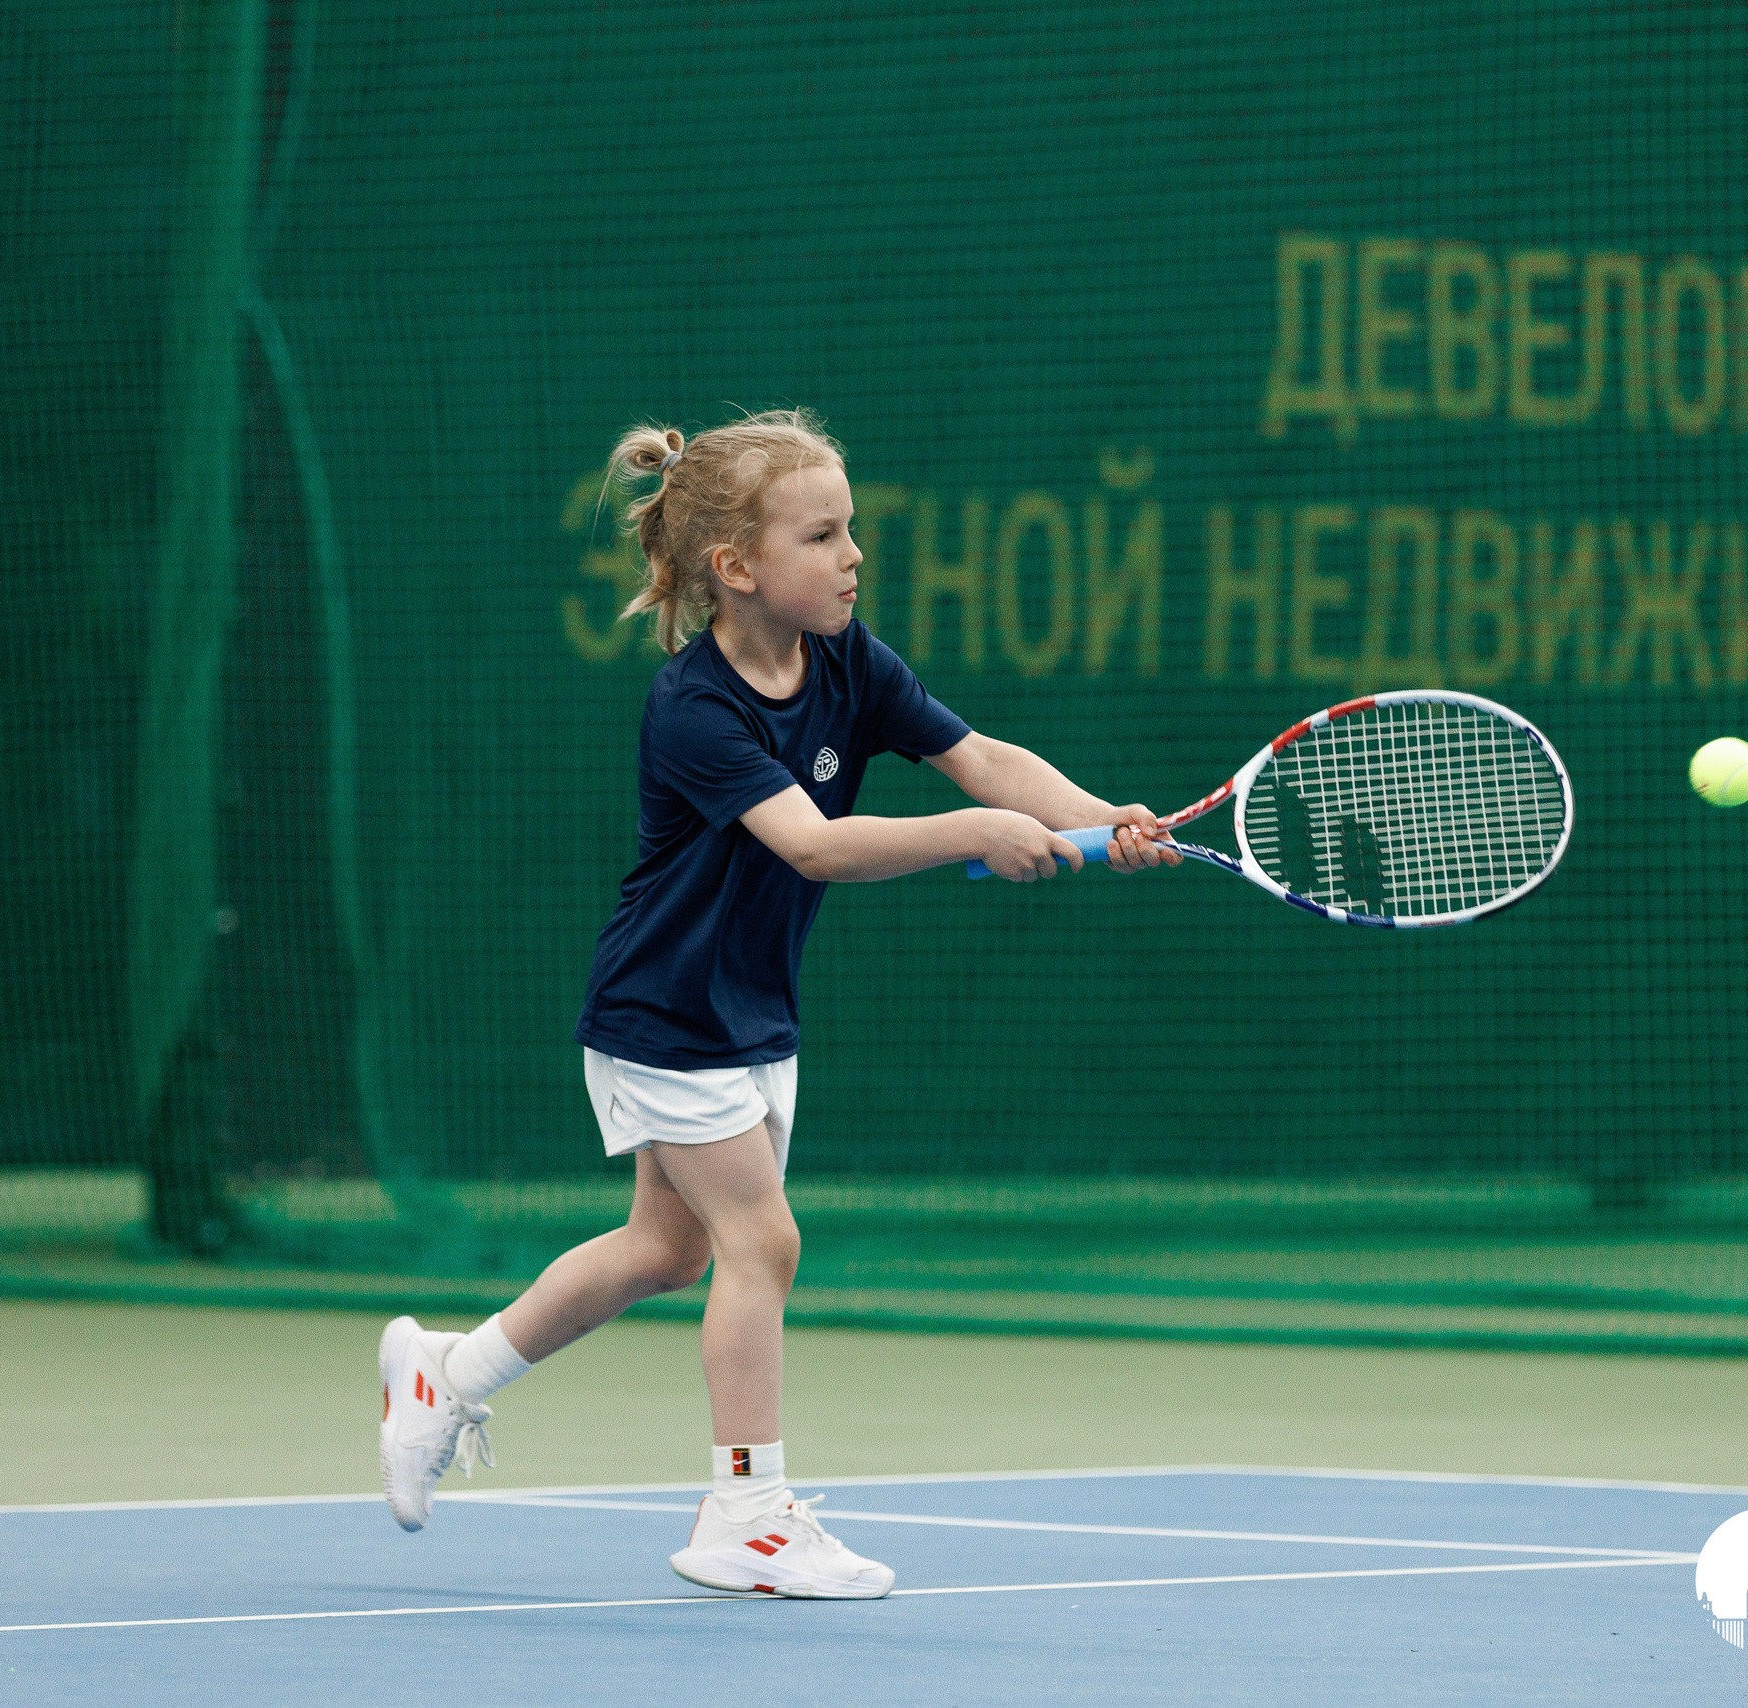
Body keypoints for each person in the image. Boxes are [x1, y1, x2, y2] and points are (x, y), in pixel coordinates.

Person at [376, 408, 1176, 1599]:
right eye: (823, 534)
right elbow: (812, 845)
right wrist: (975, 837)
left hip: (748, 1009)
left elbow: (982, 759)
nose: (853, 554)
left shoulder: (853, 664)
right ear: (735, 569)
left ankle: (447, 1373)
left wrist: (1098, 817)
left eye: (853, 529)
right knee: (762, 1241)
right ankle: (743, 1513)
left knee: (665, 1247)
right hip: (666, 1013)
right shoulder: (695, 707)